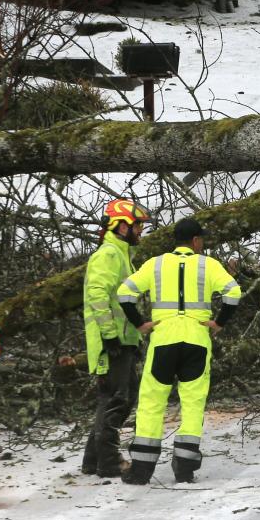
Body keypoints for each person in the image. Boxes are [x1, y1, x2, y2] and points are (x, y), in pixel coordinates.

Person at [117, 217, 241, 485]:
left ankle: (141, 469)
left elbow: (124, 293)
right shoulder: (208, 264)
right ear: (195, 241)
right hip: (196, 340)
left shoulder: (155, 264)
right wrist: (219, 322)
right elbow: (233, 293)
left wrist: (141, 323)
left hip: (163, 340)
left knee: (151, 403)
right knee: (193, 404)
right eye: (202, 240)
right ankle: (184, 468)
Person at [81, 198, 154, 477]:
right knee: (116, 400)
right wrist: (110, 336)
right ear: (121, 226)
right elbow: (97, 295)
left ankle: (93, 460)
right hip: (113, 342)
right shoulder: (109, 254)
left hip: (123, 340)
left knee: (115, 397)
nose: (140, 231)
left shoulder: (122, 254)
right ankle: (109, 462)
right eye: (136, 226)